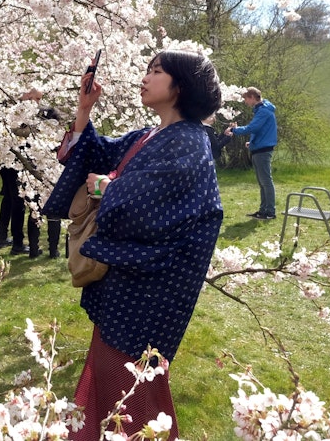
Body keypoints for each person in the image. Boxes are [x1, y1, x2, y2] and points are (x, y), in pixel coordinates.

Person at [41, 50, 223, 440]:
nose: (145, 78)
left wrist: (107, 186)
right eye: (146, 70)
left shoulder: (191, 142)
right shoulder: (150, 135)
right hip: (124, 283)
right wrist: (84, 109)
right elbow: (99, 153)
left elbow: (157, 204)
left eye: (156, 72)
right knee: (109, 374)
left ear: (181, 86)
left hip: (149, 292)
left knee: (133, 383)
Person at [0, 89, 62, 258]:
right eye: (36, 97)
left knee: (21, 202)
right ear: (26, 95)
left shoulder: (40, 113)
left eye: (40, 99)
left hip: (27, 162)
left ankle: (15, 241)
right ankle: (18, 243)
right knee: (20, 202)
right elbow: (15, 133)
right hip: (15, 162)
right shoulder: (14, 111)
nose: (37, 101)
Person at [225, 87, 278, 220]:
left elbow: (253, 128)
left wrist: (234, 130)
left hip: (262, 150)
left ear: (253, 97)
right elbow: (261, 130)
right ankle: (263, 210)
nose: (245, 102)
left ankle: (270, 212)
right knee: (262, 182)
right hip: (259, 148)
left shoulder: (264, 111)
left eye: (246, 99)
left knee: (266, 181)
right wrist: (252, 143)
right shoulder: (262, 110)